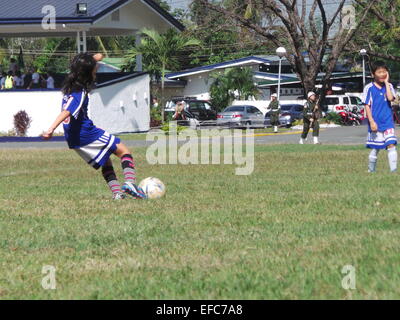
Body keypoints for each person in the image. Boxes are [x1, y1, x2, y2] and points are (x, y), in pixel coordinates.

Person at [42, 52, 147, 200]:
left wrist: (97, 57)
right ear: (88, 72)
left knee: (105, 160)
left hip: (73, 138)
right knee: (124, 151)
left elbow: (80, 63)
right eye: (94, 68)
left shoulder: (72, 84)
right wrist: (51, 129)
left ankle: (117, 194)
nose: (96, 69)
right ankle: (130, 183)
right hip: (86, 133)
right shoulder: (80, 91)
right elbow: (68, 111)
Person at [363, 61, 397, 173]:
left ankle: (394, 171)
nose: (382, 74)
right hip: (376, 122)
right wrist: (371, 121)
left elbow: (390, 98)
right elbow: (367, 106)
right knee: (376, 148)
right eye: (379, 72)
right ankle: (371, 170)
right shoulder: (369, 88)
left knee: (391, 144)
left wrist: (387, 83)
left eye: (384, 71)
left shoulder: (390, 86)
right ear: (373, 74)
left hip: (388, 121)